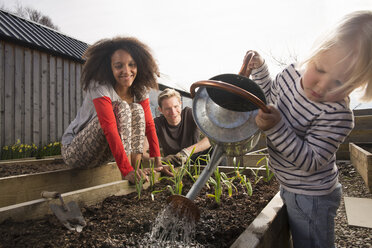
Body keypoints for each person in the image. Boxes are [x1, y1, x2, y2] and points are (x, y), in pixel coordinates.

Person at [239, 10, 372, 248]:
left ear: (358, 84)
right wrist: (260, 70)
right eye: (320, 70)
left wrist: (277, 127)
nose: (322, 87)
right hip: (289, 184)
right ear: (315, 53)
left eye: (340, 83)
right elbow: (269, 97)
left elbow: (310, 161)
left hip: (313, 196)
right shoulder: (290, 74)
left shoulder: (337, 114)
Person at [61, 36, 171, 184]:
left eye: (132, 65)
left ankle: (135, 169)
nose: (126, 71)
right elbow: (109, 128)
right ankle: (128, 171)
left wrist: (157, 163)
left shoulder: (139, 88)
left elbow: (149, 124)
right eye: (119, 66)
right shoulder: (100, 86)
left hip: (103, 158)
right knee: (122, 108)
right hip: (75, 152)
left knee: (137, 110)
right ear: (110, 67)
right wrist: (125, 171)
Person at [143, 88, 211, 166]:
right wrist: (162, 159)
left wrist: (186, 152)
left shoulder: (191, 114)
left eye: (176, 106)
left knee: (217, 149)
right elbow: (143, 152)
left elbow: (211, 138)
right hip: (173, 163)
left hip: (196, 160)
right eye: (168, 109)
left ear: (180, 104)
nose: (173, 112)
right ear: (160, 110)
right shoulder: (156, 124)